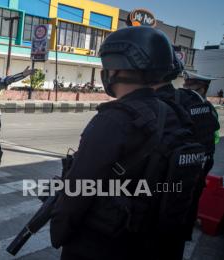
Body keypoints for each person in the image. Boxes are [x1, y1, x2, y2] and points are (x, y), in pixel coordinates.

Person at [50, 26, 195, 260]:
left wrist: (59, 232)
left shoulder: (114, 119)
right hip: (153, 242)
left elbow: (77, 191)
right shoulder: (174, 114)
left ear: (116, 68)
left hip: (104, 244)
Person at [152, 53, 220, 258]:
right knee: (182, 220)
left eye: (188, 83)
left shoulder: (175, 101)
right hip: (194, 175)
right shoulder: (209, 111)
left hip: (167, 179)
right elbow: (214, 141)